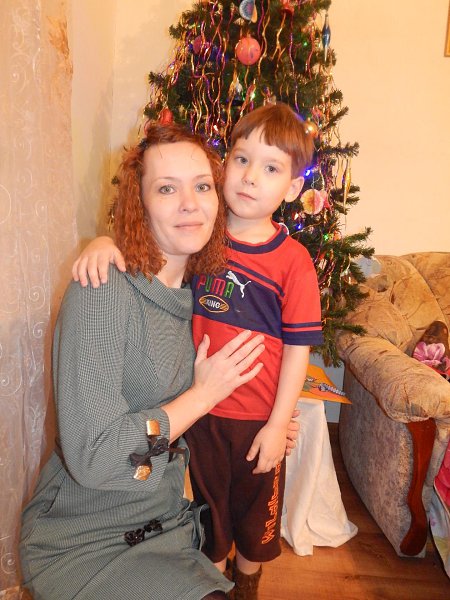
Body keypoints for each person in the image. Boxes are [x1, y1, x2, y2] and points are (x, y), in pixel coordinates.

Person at [72, 103, 323, 600]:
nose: (250, 177)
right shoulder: (205, 240)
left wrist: (278, 421)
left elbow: (298, 349)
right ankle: (210, 584)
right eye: (241, 160)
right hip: (198, 419)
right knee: (209, 521)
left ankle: (246, 586)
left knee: (255, 524)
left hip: (256, 422)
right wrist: (102, 241)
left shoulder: (292, 262)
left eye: (271, 169)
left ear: (294, 188)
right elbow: (149, 258)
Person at [19, 122, 270, 600]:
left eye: (202, 186)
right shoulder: (101, 291)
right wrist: (201, 397)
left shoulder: (202, 296)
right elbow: (93, 457)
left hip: (163, 524)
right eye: (166, 189)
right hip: (82, 537)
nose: (190, 204)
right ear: (140, 204)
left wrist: (267, 421)